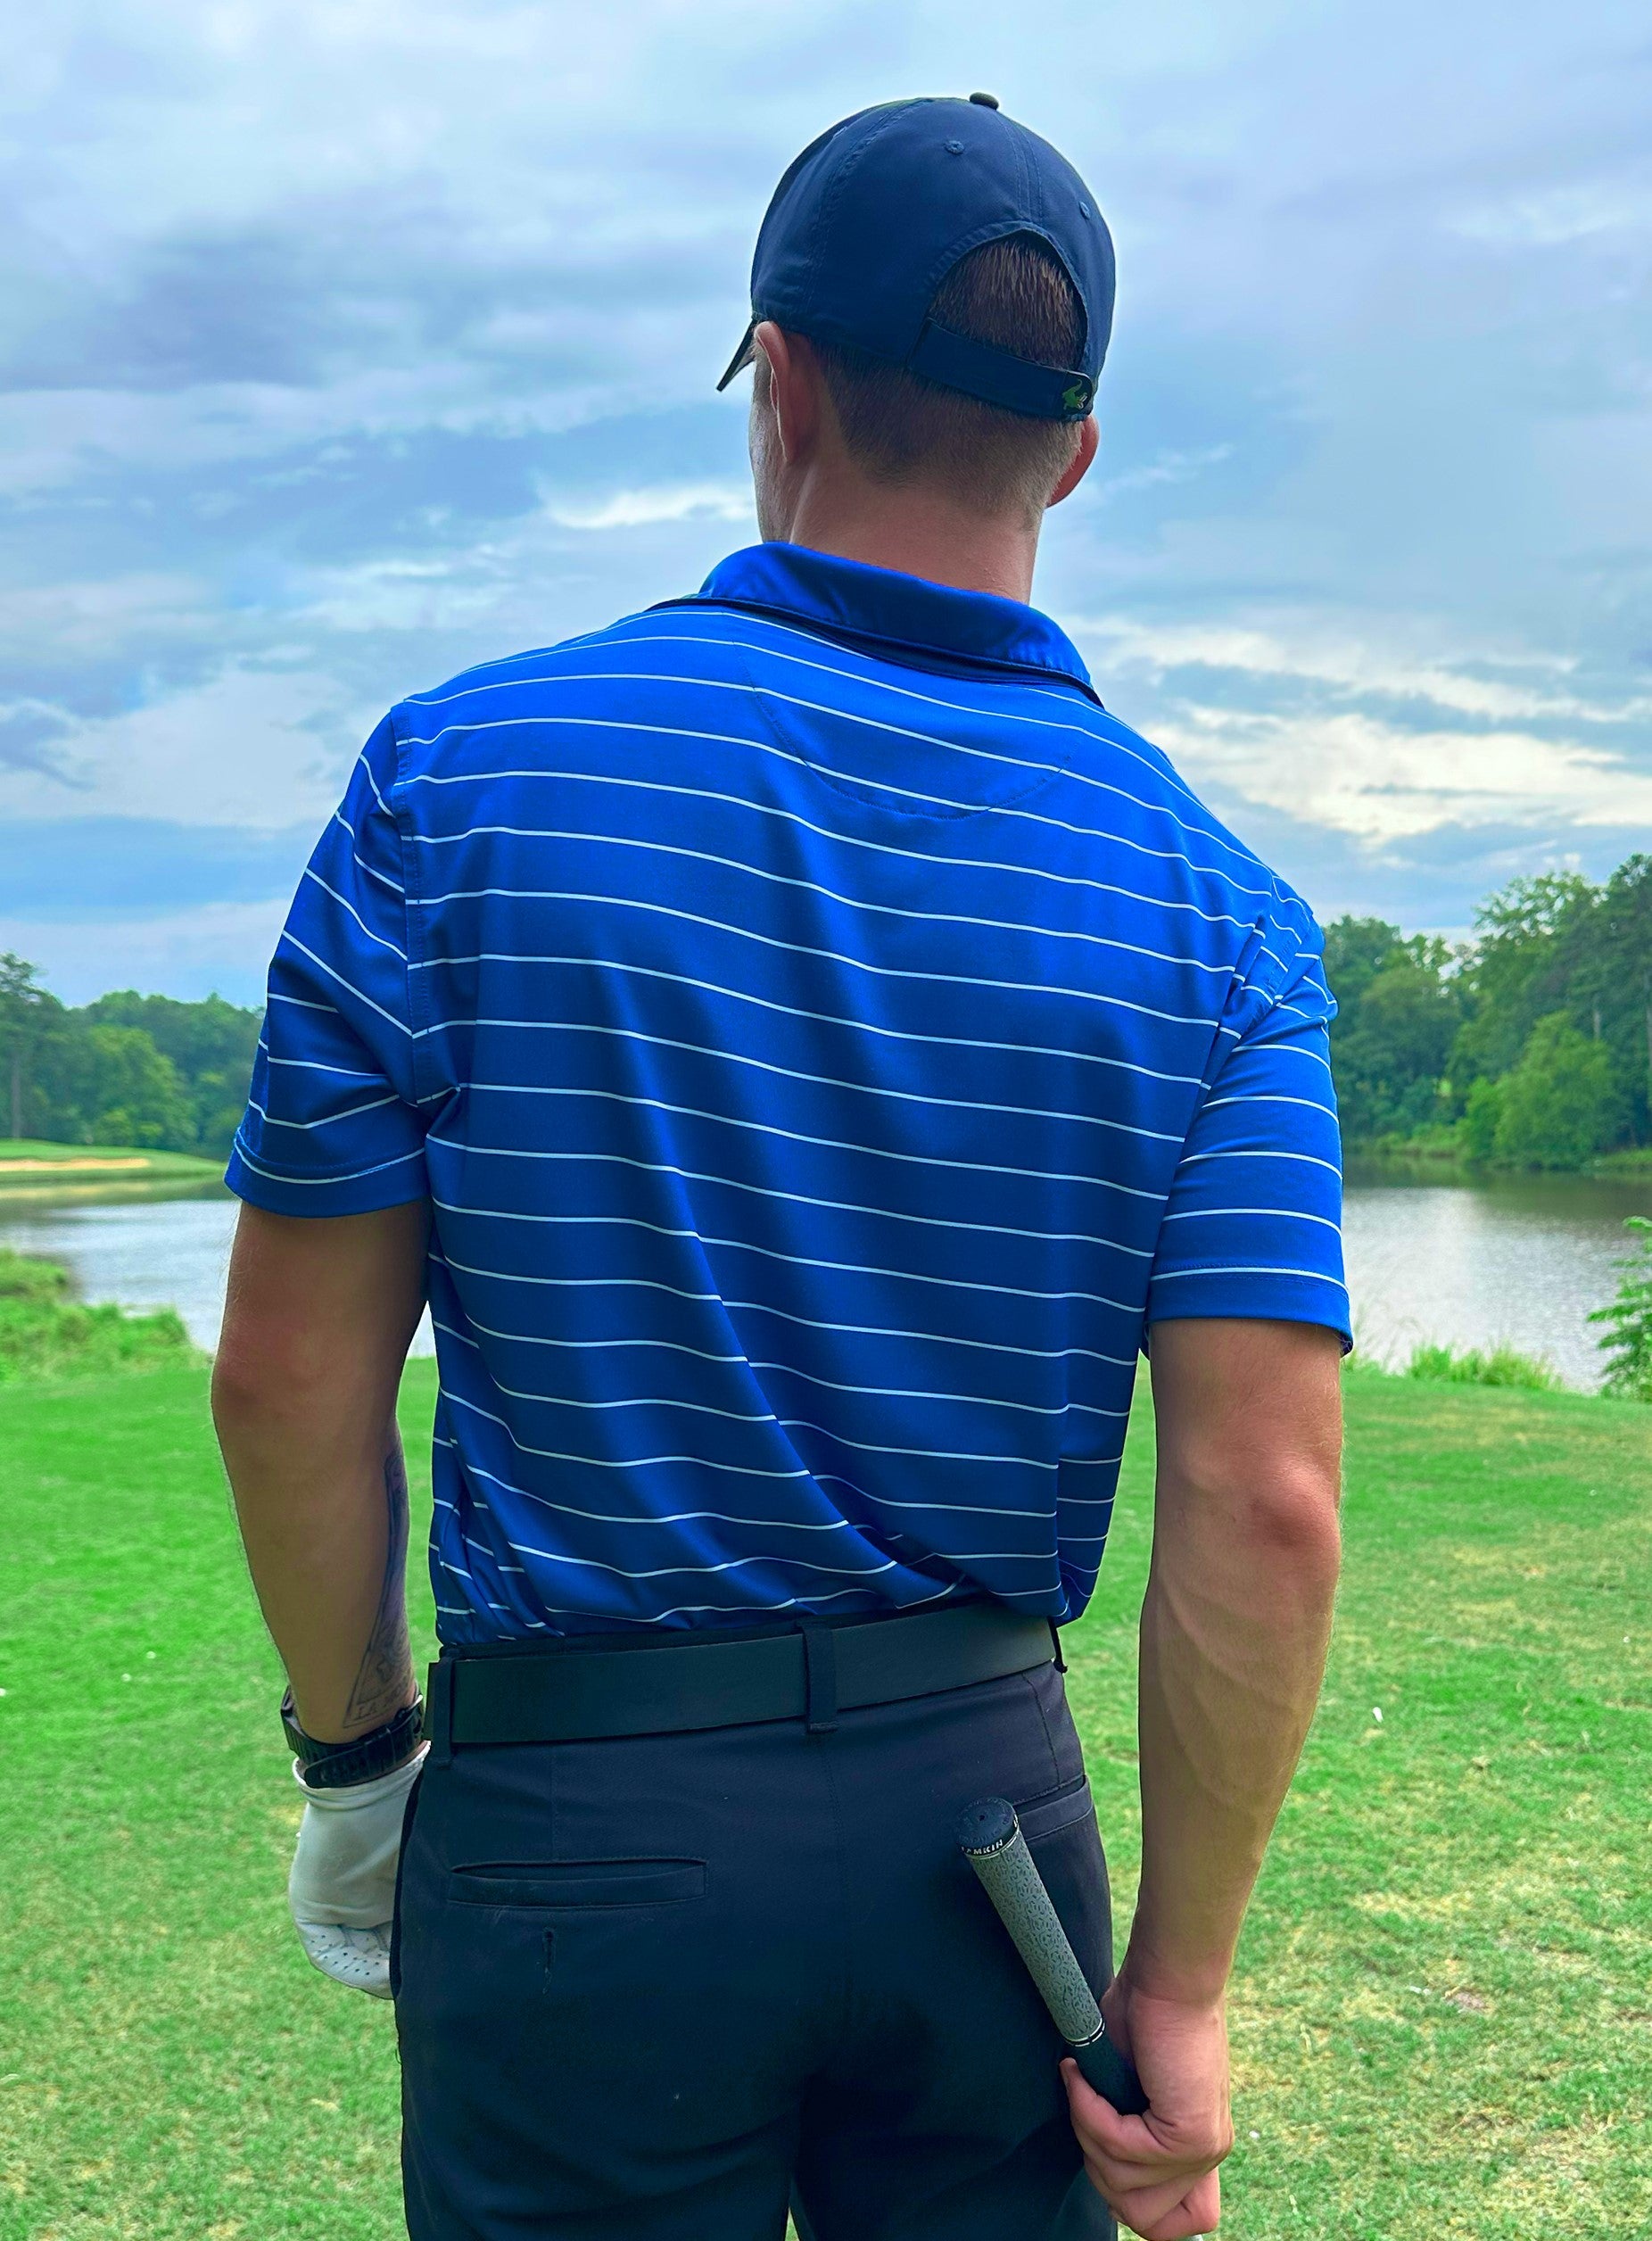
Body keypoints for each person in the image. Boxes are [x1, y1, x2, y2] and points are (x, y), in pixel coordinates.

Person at [212, 93, 1347, 2241]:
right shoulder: (1217, 910)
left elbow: (285, 1380)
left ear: (783, 374)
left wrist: (361, 1770)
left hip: (575, 1830)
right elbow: (1263, 1495)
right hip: (983, 1841)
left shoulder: (455, 778)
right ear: (1074, 455)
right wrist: (1177, 1987)